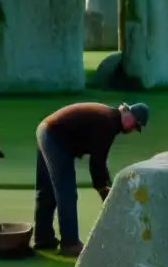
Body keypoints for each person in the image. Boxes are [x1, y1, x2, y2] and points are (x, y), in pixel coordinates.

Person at [32, 101, 149, 257]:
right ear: (128, 114)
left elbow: (99, 160)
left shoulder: (108, 118)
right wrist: (103, 190)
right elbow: (97, 162)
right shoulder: (108, 123)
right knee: (66, 192)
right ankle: (70, 243)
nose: (133, 129)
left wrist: (105, 186)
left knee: (47, 190)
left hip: (46, 130)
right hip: (55, 137)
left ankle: (43, 238)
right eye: (135, 124)